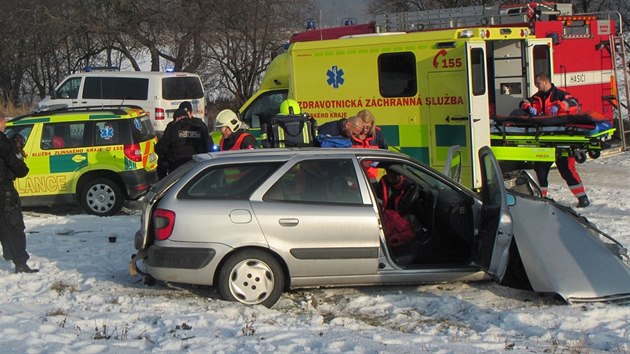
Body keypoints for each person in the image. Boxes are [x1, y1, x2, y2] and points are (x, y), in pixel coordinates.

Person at [519, 73, 589, 207]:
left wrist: (560, 106)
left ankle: (582, 198)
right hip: (545, 138)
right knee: (540, 168)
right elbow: (524, 102)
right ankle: (542, 198)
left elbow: (573, 102)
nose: (536, 86)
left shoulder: (560, 95)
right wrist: (527, 107)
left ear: (546, 82)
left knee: (567, 169)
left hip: (562, 138)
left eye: (538, 83)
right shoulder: (537, 97)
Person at [0, 113, 38, 273]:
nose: (5, 126)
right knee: (13, 226)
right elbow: (20, 170)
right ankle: (20, 263)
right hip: (4, 190)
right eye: (3, 124)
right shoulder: (3, 142)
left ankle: (11, 255)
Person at [155, 107, 211, 176]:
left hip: (177, 168)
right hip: (197, 167)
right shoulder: (198, 127)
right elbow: (208, 146)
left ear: (177, 118)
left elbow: (161, 148)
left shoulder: (173, 128)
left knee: (161, 162)